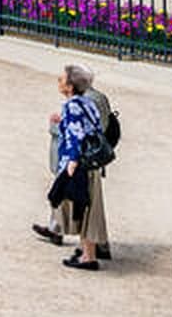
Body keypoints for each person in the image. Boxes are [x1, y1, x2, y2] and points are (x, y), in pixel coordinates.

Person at [33, 65, 115, 265]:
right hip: (91, 164)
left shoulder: (72, 105)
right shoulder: (87, 103)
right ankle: (88, 251)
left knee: (75, 206)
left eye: (62, 79)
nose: (58, 82)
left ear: (70, 86)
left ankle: (88, 256)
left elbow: (76, 136)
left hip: (78, 165)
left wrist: (72, 163)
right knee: (87, 208)